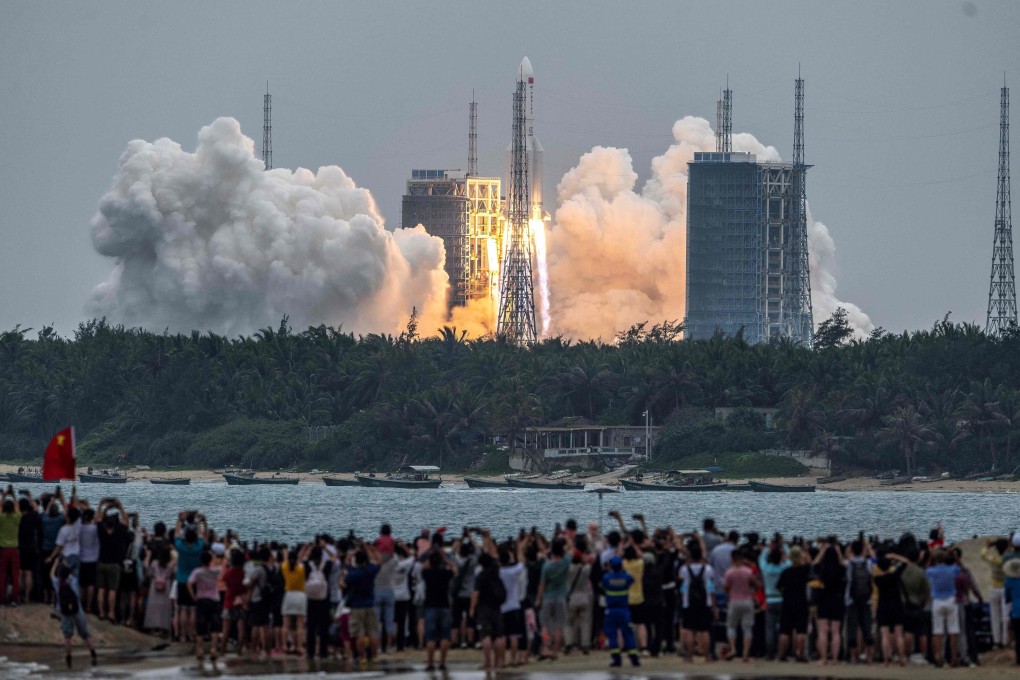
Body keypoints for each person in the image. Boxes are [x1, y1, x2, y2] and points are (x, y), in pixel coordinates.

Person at [51, 560, 97, 669]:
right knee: (85, 634)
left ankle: (68, 659)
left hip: (64, 611)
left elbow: (51, 574)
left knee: (67, 636)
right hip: (77, 609)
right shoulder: (73, 580)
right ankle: (93, 654)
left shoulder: (56, 582)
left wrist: (55, 563)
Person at [471, 532, 507, 670]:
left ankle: (488, 662)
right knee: (498, 635)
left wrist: (472, 608)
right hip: (497, 605)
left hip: (484, 607)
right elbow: (493, 554)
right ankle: (500, 661)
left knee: (486, 635)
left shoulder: (480, 575)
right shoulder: (495, 569)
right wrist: (487, 538)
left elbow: (476, 593)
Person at [342, 541, 381, 665]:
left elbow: (346, 564)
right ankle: (374, 656)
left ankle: (362, 657)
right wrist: (371, 550)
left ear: (356, 561)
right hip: (370, 604)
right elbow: (379, 562)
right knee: (372, 632)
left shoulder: (353, 574)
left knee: (359, 633)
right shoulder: (370, 571)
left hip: (357, 605)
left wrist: (352, 552)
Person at [680, 538, 716, 662]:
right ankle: (706, 656)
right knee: (704, 631)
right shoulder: (708, 569)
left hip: (688, 603)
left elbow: (681, 580)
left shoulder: (684, 569)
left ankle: (689, 656)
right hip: (704, 602)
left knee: (690, 630)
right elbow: (711, 586)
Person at [173, 512, 208, 642]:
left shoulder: (180, 547)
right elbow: (201, 536)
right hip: (194, 581)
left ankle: (182, 635)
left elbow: (176, 534)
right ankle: (192, 633)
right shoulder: (198, 547)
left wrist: (179, 520)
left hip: (181, 580)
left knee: (182, 609)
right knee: (193, 610)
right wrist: (199, 522)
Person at [601, 556, 640, 667]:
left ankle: (616, 659)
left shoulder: (607, 578)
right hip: (624, 610)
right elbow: (632, 579)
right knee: (628, 633)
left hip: (611, 610)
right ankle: (634, 658)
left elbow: (602, 584)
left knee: (612, 635)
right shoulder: (626, 578)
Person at [421, 547, 456, 670]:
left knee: (430, 637)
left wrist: (430, 555)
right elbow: (454, 568)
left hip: (430, 605)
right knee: (445, 636)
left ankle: (430, 663)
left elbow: (423, 567)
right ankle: (442, 663)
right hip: (444, 605)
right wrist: (444, 558)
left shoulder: (427, 573)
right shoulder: (445, 574)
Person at [813, 538, 847, 665]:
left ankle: (823, 658)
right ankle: (834, 659)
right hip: (837, 599)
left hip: (824, 598)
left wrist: (822, 551)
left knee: (822, 631)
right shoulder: (840, 569)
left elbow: (814, 564)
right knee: (836, 631)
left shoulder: (822, 569)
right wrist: (839, 552)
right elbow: (844, 565)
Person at [722, 548, 759, 662]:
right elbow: (756, 584)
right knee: (747, 628)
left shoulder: (729, 572)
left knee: (731, 626)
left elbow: (726, 587)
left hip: (734, 600)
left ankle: (733, 649)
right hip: (747, 600)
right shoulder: (747, 571)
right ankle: (745, 654)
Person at [536, 537, 570, 660]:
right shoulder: (566, 562)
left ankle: (546, 646)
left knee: (544, 625)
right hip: (561, 597)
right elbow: (570, 550)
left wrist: (539, 599)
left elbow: (542, 585)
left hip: (547, 597)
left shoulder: (547, 566)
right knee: (559, 626)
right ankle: (555, 650)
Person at [926, 549, 961, 668]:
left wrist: (930, 557)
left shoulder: (932, 571)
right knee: (953, 631)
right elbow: (959, 567)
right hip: (951, 599)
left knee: (937, 632)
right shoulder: (952, 570)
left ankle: (938, 657)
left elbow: (927, 569)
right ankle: (954, 658)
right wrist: (954, 556)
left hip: (937, 601)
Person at [188, 549, 222, 671]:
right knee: (214, 625)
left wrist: (193, 596)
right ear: (210, 560)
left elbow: (189, 584)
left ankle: (200, 650)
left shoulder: (197, 572)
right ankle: (213, 649)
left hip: (201, 599)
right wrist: (214, 557)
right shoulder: (216, 571)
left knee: (201, 626)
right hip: (214, 599)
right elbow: (221, 564)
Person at [96, 499, 129, 622]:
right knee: (112, 590)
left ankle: (101, 612)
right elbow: (126, 521)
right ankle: (111, 613)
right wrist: (120, 506)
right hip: (114, 564)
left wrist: (102, 506)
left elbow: (98, 519)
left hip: (101, 562)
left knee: (101, 589)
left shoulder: (101, 531)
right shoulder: (120, 532)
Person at [776, 545, 810, 661]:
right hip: (801, 602)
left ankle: (782, 654)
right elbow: (811, 564)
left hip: (787, 602)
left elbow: (779, 586)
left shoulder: (786, 572)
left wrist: (785, 593)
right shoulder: (804, 571)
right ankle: (800, 654)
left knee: (785, 631)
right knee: (801, 630)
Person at [874, 553, 908, 666]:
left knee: (885, 635)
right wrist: (894, 556)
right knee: (899, 634)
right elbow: (906, 562)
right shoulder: (895, 576)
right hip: (896, 605)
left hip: (883, 606)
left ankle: (886, 660)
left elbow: (873, 563)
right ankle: (902, 658)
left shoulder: (877, 579)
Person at [758, 538, 790, 660]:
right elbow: (790, 561)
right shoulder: (783, 568)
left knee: (769, 628)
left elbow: (760, 559)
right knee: (783, 628)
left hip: (769, 600)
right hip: (782, 599)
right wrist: (784, 547)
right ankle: (782, 652)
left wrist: (768, 547)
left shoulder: (766, 568)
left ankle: (770, 653)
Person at [845, 539, 875, 664]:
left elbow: (847, 555)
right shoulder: (868, 564)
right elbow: (875, 560)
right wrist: (868, 546)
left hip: (851, 600)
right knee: (867, 628)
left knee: (852, 628)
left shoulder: (848, 564)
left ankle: (853, 657)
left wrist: (850, 548)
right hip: (866, 599)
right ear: (863, 550)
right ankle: (868, 656)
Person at [303, 545, 332, 660]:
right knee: (324, 627)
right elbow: (334, 558)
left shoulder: (307, 566)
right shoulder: (326, 565)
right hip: (324, 599)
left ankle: (310, 652)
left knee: (311, 627)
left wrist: (307, 549)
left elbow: (302, 559)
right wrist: (325, 548)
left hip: (311, 599)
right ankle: (323, 652)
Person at [981, 537, 1010, 649]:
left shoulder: (993, 558)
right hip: (1004, 587)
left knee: (995, 616)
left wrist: (988, 546)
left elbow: (983, 554)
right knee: (1005, 616)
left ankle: (996, 641)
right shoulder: (1007, 559)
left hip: (994, 587)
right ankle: (1005, 640)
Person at [565, 548, 593, 654]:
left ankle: (569, 644)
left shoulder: (569, 569)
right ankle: (585, 644)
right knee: (585, 623)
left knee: (568, 623)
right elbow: (589, 562)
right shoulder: (586, 569)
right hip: (584, 597)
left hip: (572, 597)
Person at [220, 548, 248, 656]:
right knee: (241, 628)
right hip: (240, 601)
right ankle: (239, 650)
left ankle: (222, 650)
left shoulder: (229, 572)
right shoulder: (243, 573)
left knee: (226, 628)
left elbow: (225, 582)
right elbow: (245, 587)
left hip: (229, 600)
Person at [281, 546, 308, 656]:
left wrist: (285, 550)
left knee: (286, 624)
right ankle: (299, 646)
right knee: (299, 624)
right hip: (300, 595)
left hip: (289, 595)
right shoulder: (301, 568)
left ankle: (284, 645)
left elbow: (286, 559)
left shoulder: (285, 567)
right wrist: (306, 547)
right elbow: (300, 559)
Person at [143, 546, 175, 634]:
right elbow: (173, 575)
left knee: (153, 607)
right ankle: (163, 628)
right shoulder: (171, 565)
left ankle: (152, 627)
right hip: (166, 587)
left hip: (154, 586)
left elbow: (149, 573)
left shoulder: (154, 563)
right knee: (164, 608)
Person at [18, 495, 43, 603]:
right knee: (29, 573)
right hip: (31, 547)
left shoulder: (17, 517)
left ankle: (20, 594)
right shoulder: (33, 517)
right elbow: (36, 511)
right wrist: (31, 498)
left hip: (19, 546)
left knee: (20, 573)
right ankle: (27, 596)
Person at [0, 484, 21, 606]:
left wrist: (3, 496)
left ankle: (2, 599)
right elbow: (17, 507)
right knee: (15, 575)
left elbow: (0, 507)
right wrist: (13, 495)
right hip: (14, 549)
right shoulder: (16, 517)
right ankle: (14, 599)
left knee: (2, 575)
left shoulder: (1, 518)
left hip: (3, 550)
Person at [77, 507, 99, 614]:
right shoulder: (95, 529)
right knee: (90, 584)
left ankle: (81, 603)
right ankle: (89, 606)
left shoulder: (79, 528)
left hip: (81, 558)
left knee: (82, 584)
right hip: (93, 559)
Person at [1002, 554, 1020, 665]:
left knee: (1018, 638)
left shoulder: (1009, 582)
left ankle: (1018, 659)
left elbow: (1007, 598)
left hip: (1016, 613)